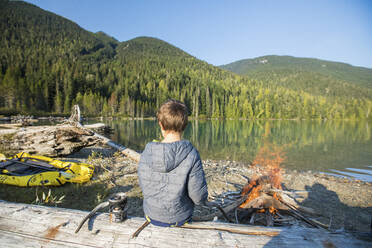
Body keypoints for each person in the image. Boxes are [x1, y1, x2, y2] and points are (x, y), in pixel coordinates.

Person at [138, 99, 208, 227]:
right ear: (185, 125)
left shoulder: (146, 153)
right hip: (180, 218)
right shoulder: (192, 154)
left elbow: (143, 187)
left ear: (161, 125)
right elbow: (198, 198)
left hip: (151, 215)